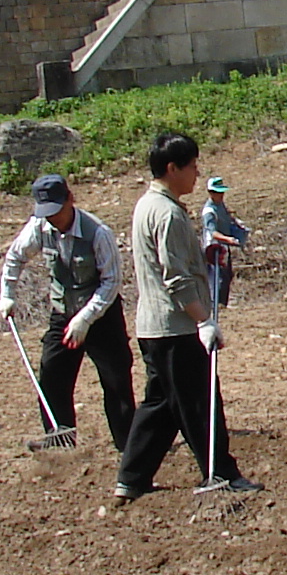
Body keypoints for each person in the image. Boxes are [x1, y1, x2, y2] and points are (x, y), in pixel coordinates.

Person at [116, 133, 260, 501]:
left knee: (161, 405)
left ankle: (132, 477)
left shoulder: (148, 205)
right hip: (176, 327)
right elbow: (175, 277)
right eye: (192, 166)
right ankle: (221, 474)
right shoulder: (166, 213)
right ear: (172, 168)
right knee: (201, 403)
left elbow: (176, 263)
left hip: (154, 326)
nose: (197, 174)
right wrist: (203, 321)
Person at [0, 174, 136, 449]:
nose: (52, 219)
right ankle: (60, 443)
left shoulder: (98, 232)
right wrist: (6, 295)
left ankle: (129, 446)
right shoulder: (39, 227)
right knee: (51, 377)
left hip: (101, 315)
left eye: (56, 211)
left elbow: (112, 282)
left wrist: (85, 319)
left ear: (70, 200)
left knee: (116, 381)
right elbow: (15, 257)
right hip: (62, 313)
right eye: (46, 213)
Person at [200, 176, 249, 308]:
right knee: (217, 278)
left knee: (227, 276)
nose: (220, 195)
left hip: (224, 247)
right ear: (210, 193)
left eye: (222, 192)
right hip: (213, 249)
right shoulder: (209, 211)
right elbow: (212, 232)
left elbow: (227, 217)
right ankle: (215, 305)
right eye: (217, 192)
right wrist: (229, 239)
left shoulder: (220, 205)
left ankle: (223, 304)